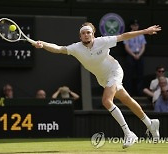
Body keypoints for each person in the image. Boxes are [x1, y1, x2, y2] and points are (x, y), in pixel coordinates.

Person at [33, 22, 161, 148]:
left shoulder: (102, 41)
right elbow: (59, 49)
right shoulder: (76, 48)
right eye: (83, 33)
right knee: (126, 100)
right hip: (103, 79)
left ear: (93, 34)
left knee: (106, 101)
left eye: (88, 32)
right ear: (80, 36)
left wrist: (145, 31)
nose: (86, 35)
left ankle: (128, 133)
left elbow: (124, 36)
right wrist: (43, 44)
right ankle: (151, 124)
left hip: (114, 71)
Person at [123, 19, 147, 96]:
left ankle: (139, 92)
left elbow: (143, 46)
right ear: (131, 26)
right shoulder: (127, 34)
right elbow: (126, 47)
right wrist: (133, 55)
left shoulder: (141, 34)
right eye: (134, 25)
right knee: (129, 74)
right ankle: (128, 92)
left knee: (140, 74)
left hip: (139, 55)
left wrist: (139, 55)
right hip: (130, 55)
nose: (135, 26)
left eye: (136, 25)